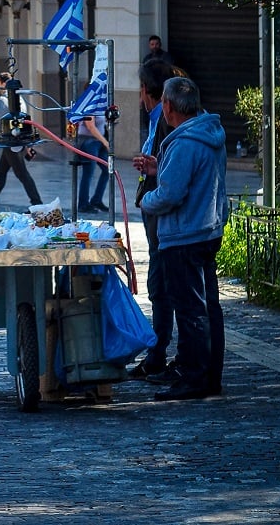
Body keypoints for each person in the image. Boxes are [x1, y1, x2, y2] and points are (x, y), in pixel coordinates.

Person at [134, 76, 227, 401]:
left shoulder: (185, 141)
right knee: (208, 307)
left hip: (184, 235)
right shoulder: (207, 132)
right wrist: (160, 168)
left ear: (169, 106)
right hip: (206, 229)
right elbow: (191, 175)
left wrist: (147, 199)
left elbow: (171, 194)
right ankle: (208, 375)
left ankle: (195, 379)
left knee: (191, 310)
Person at [127, 59, 178, 380]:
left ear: (146, 90)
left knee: (162, 285)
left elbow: (172, 173)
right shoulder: (157, 118)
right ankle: (159, 352)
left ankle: (160, 354)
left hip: (162, 214)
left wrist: (151, 187)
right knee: (160, 283)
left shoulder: (166, 120)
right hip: (155, 209)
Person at [0, 72, 42, 212]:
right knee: (1, 174)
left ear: (3, 83)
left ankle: (37, 204)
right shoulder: (20, 99)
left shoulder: (3, 101)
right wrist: (28, 144)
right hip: (17, 141)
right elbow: (25, 121)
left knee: (23, 175)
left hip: (12, 143)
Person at [75, 96, 110, 213]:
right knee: (88, 172)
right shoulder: (90, 103)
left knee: (107, 170)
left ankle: (97, 200)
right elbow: (90, 126)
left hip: (98, 141)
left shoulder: (100, 105)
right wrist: (105, 141)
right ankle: (83, 204)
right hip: (88, 141)